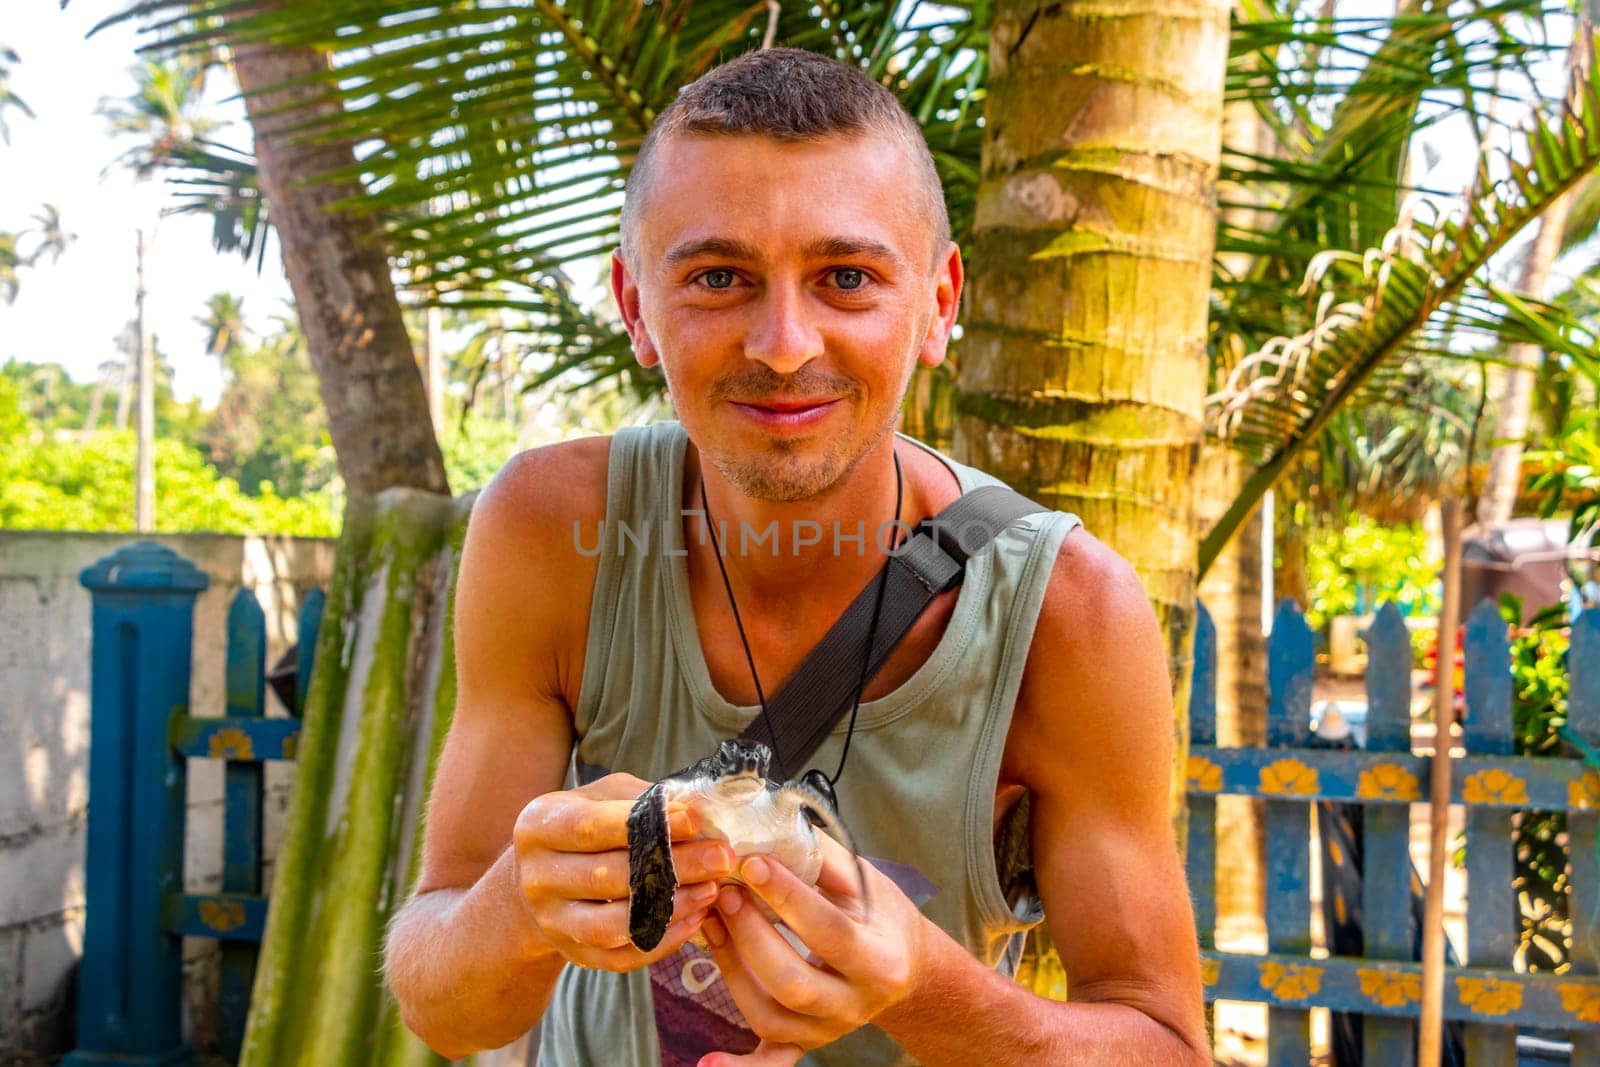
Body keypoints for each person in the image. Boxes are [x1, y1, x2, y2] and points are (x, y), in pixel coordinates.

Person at [383, 46, 1208, 1067]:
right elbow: (445, 1008)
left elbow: (1167, 1042)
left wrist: (925, 982)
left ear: (939, 303)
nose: (782, 342)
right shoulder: (550, 531)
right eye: (719, 276)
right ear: (636, 305)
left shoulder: (1066, 613)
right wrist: (515, 901)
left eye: (846, 277)